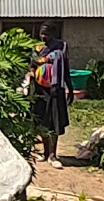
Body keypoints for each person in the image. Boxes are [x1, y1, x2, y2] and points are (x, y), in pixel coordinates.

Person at [29, 22, 72, 167]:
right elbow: (31, 66)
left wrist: (69, 88)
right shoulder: (36, 48)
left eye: (46, 34)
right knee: (41, 120)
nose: (43, 36)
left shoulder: (61, 47)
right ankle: (45, 152)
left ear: (53, 34)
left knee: (54, 122)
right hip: (39, 89)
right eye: (41, 33)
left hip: (55, 90)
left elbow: (65, 68)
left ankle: (53, 155)